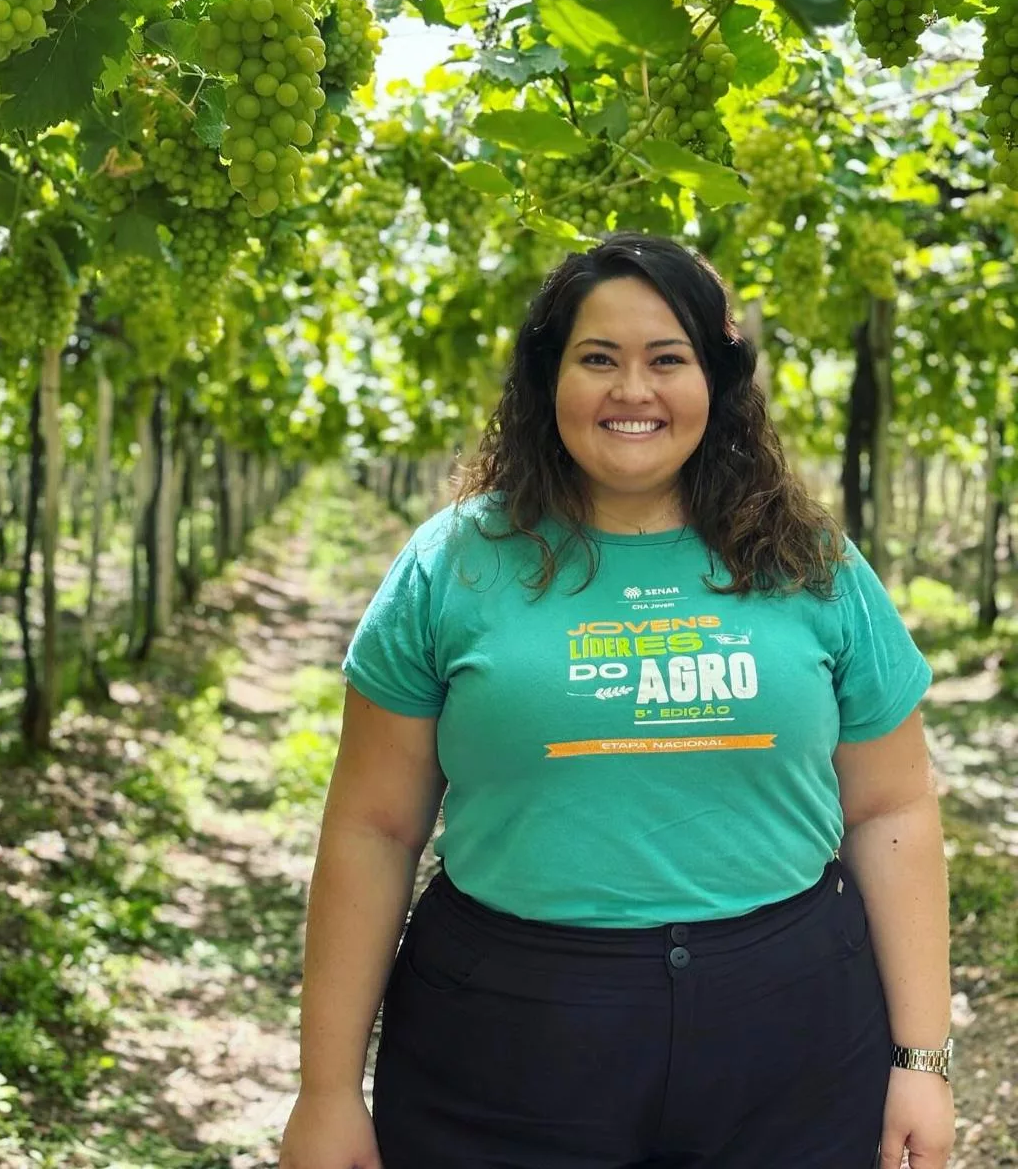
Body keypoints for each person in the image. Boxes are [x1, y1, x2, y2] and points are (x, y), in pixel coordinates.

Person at [278, 234, 956, 1169]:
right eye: (598, 359)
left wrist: (921, 1059)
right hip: (507, 1044)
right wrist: (326, 1092)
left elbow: (893, 807)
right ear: (546, 378)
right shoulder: (451, 566)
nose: (632, 391)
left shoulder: (812, 564)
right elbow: (371, 830)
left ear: (715, 383)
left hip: (790, 1041)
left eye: (666, 360)